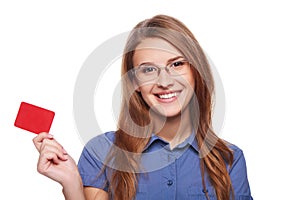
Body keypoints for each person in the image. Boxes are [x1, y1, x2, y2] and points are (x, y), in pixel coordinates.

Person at [33, 14, 253, 200]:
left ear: (196, 71)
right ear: (134, 82)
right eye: (148, 70)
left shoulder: (229, 159)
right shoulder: (101, 152)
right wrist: (72, 185)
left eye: (177, 64)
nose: (165, 81)